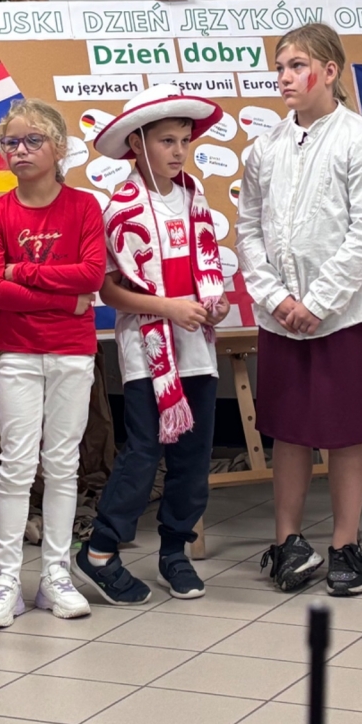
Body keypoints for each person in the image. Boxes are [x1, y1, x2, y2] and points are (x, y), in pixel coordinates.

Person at [236, 24, 362, 597]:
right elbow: (248, 230)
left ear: (329, 71)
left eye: (297, 66)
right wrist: (277, 298)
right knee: (289, 431)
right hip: (281, 315)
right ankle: (288, 542)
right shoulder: (265, 147)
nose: (284, 78)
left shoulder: (360, 139)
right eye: (279, 68)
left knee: (345, 432)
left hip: (340, 314)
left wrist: (319, 302)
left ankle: (346, 544)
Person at [73, 84, 230, 605]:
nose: (179, 151)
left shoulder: (194, 197)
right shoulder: (120, 207)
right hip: (148, 349)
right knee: (143, 452)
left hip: (196, 347)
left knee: (193, 455)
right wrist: (168, 308)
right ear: (137, 146)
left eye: (184, 140)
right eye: (166, 141)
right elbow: (109, 290)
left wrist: (213, 304)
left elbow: (205, 272)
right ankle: (100, 549)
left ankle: (174, 552)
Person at [0, 100, 106, 628]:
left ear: (60, 148)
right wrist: (65, 298)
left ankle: (56, 574)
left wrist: (22, 272)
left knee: (63, 464)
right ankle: (5, 579)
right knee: (16, 465)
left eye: (33, 140)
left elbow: (92, 275)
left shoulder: (84, 207)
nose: (21, 150)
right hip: (19, 354)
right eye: (11, 142)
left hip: (73, 353)